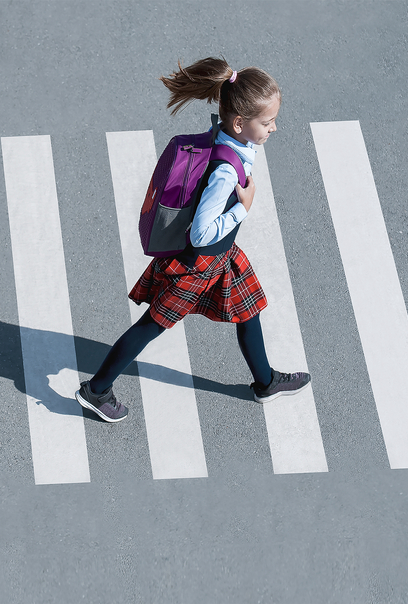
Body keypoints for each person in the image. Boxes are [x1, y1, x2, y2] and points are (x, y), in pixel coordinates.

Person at [76, 56, 311, 423]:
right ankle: (96, 390)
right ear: (239, 122)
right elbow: (201, 233)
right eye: (267, 122)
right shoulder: (224, 170)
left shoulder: (227, 138)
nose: (273, 128)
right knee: (150, 326)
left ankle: (265, 382)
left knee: (248, 311)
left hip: (222, 256)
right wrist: (241, 209)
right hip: (197, 266)